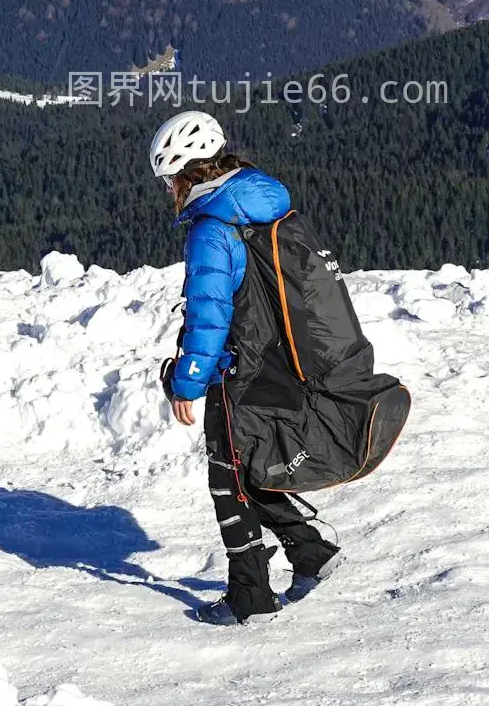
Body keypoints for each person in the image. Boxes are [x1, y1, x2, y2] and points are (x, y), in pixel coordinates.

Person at [151, 109, 343, 626]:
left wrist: (187, 382)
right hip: (278, 360)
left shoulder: (213, 227)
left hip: (239, 370)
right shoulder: (261, 202)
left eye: (170, 179)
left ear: (185, 174)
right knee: (250, 467)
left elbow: (210, 316)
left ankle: (250, 597)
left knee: (227, 478)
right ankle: (310, 551)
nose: (169, 189)